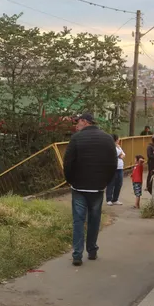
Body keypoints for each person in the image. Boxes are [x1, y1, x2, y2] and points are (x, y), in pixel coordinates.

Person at [63, 113, 117, 266]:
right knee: (94, 220)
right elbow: (113, 163)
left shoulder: (76, 138)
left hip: (79, 187)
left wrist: (70, 180)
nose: (76, 125)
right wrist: (106, 181)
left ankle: (77, 255)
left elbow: (68, 162)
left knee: (78, 221)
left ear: (84, 121)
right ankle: (92, 250)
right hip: (98, 188)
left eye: (77, 122)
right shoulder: (107, 138)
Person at [106, 133, 126, 206]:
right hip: (113, 167)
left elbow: (123, 154)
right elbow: (116, 153)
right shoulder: (111, 146)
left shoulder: (118, 147)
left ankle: (115, 199)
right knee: (111, 183)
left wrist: (120, 153)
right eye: (118, 139)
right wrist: (119, 152)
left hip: (120, 167)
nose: (119, 140)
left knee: (119, 184)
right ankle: (109, 199)